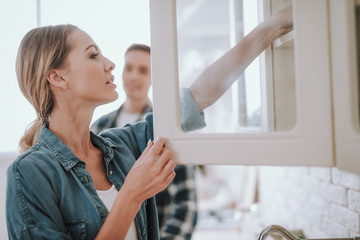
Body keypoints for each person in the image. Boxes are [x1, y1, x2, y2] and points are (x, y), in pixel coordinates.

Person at [6, 5, 292, 240]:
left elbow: (197, 97)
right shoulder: (29, 174)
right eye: (93, 55)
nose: (110, 64)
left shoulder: (122, 147)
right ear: (58, 77)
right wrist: (131, 194)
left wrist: (267, 30)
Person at [90, 44, 198, 240]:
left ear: (153, 78)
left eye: (143, 70)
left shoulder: (166, 128)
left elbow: (185, 208)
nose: (133, 76)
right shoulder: (97, 128)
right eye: (128, 68)